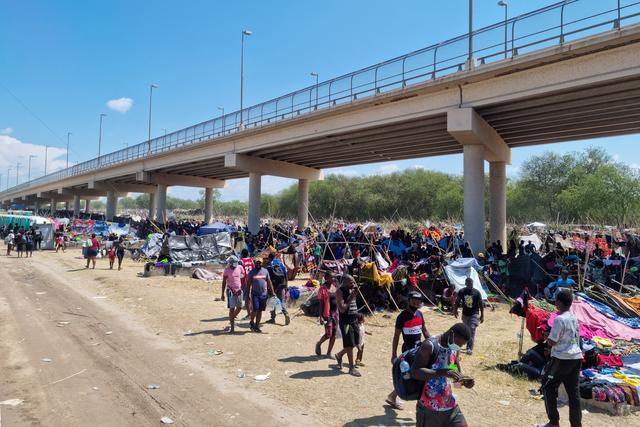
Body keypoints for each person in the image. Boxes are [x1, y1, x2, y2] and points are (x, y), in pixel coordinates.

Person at [411, 323, 474, 427]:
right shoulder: (429, 345)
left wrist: (464, 382)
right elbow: (415, 372)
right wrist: (442, 372)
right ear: (451, 333)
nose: (458, 347)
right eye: (458, 343)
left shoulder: (455, 349)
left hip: (450, 406)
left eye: (461, 346)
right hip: (429, 408)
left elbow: (454, 373)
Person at [538, 289, 582, 427]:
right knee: (573, 392)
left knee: (547, 386)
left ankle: (553, 422)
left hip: (562, 358)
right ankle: (576, 424)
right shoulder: (574, 318)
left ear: (558, 302)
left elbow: (553, 341)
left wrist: (547, 337)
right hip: (576, 357)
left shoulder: (559, 319)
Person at [386, 291, 431, 410]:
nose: (416, 302)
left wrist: (433, 343)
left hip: (419, 350)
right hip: (408, 352)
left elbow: (425, 332)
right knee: (411, 376)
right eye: (414, 300)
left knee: (415, 375)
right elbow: (396, 337)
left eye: (419, 300)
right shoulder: (402, 317)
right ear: (409, 300)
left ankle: (393, 396)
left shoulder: (420, 314)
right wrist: (393, 355)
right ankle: (394, 396)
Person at [334, 274, 362, 377]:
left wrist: (355, 293)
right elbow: (342, 309)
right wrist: (351, 297)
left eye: (354, 282)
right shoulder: (339, 292)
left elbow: (354, 305)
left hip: (354, 320)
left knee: (355, 343)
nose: (353, 284)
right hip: (346, 322)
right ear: (344, 282)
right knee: (349, 344)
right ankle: (351, 368)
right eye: (351, 282)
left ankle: (339, 355)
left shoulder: (351, 290)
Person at [454, 277, 483, 355]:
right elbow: (457, 301)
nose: (470, 285)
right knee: (466, 331)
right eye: (469, 283)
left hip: (474, 314)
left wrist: (482, 315)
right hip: (465, 314)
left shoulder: (476, 293)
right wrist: (455, 310)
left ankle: (469, 348)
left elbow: (481, 304)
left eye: (471, 283)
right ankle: (463, 344)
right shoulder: (462, 291)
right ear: (466, 284)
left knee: (472, 330)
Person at [315, 271, 338, 359]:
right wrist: (320, 316)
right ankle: (319, 343)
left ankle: (329, 353)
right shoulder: (322, 288)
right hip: (327, 314)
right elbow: (321, 303)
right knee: (328, 334)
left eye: (334, 277)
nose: (333, 279)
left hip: (335, 314)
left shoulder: (333, 286)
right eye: (331, 277)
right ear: (326, 278)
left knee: (334, 334)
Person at [248, 257, 274, 333]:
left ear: (262, 263)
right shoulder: (251, 272)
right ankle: (252, 321)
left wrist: (272, 292)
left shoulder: (265, 271)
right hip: (255, 294)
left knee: (260, 310)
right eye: (257, 263)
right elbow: (248, 284)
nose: (258, 264)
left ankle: (257, 325)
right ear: (254, 263)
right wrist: (247, 295)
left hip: (263, 294)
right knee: (255, 309)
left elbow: (269, 282)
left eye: (260, 263)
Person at [221, 256, 245, 333]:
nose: (229, 264)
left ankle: (232, 318)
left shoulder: (240, 267)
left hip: (239, 291)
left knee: (240, 307)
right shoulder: (226, 270)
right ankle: (232, 327)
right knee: (232, 308)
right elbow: (224, 282)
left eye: (231, 263)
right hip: (230, 291)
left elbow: (243, 275)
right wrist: (222, 294)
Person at [265, 253, 291, 326]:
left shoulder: (269, 266)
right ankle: (286, 314)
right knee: (281, 300)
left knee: (271, 301)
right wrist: (286, 286)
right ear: (275, 257)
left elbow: (267, 279)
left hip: (273, 287)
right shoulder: (281, 264)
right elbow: (286, 276)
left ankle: (272, 318)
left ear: (269, 258)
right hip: (281, 285)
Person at [240, 249, 255, 320]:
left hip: (245, 281)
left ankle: (249, 314)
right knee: (251, 296)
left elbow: (239, 272)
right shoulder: (251, 260)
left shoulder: (241, 261)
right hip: (252, 280)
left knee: (246, 298)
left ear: (242, 254)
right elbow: (254, 269)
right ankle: (252, 312)